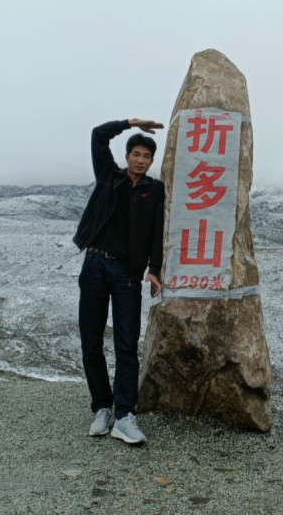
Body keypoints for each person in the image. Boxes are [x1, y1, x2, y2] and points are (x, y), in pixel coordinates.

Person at [73, 118, 165, 445]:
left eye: (147, 156)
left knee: (126, 345)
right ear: (127, 156)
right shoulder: (109, 176)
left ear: (151, 161)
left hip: (127, 273)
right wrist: (130, 123)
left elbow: (157, 230)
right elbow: (98, 135)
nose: (140, 160)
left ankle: (125, 415)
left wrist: (154, 268)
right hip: (95, 265)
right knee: (91, 342)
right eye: (136, 154)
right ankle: (102, 407)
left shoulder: (154, 190)